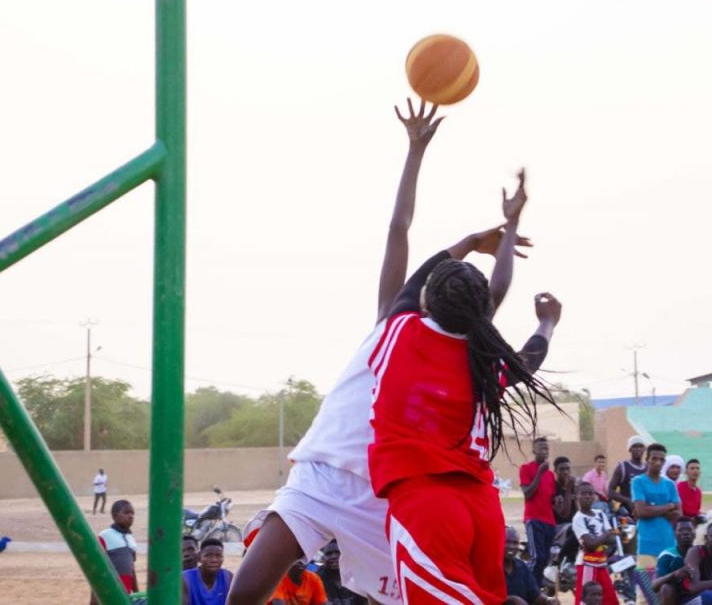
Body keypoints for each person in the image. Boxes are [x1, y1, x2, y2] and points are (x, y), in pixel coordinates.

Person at [228, 100, 528, 605]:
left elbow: (400, 230)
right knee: (246, 593)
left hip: (389, 493)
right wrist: (509, 230)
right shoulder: (401, 322)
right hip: (323, 476)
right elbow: (492, 288)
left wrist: (417, 153)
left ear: (430, 294)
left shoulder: (408, 326)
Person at [367, 170, 563, 603]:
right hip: (481, 508)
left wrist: (473, 241)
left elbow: (406, 250)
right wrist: (547, 322)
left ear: (425, 301)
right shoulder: (482, 357)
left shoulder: (400, 332)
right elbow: (526, 353)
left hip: (426, 505)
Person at [572, 480, 619, 605]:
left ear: (594, 496)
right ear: (577, 496)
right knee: (586, 599)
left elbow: (613, 539)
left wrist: (599, 539)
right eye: (583, 493)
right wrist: (605, 535)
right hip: (586, 564)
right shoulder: (578, 518)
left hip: (602, 563)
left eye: (590, 493)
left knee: (610, 599)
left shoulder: (600, 514)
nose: (587, 496)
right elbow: (590, 544)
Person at [632, 443, 681, 560]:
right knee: (645, 578)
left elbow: (678, 514)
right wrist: (668, 506)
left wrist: (651, 508)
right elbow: (642, 511)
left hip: (669, 544)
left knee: (670, 578)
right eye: (654, 459)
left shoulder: (670, 485)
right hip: (647, 546)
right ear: (647, 460)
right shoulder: (638, 481)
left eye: (661, 460)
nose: (658, 462)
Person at [521, 437, 557, 584]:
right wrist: (539, 473)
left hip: (549, 521)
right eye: (541, 448)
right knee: (537, 557)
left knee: (545, 559)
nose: (544, 451)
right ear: (534, 450)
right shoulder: (526, 468)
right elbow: (528, 493)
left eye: (546, 448)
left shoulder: (550, 475)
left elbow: (551, 499)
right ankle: (525, 586)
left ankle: (535, 590)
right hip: (534, 519)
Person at [95, 500, 139, 598]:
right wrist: (94, 596)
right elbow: (96, 567)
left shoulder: (131, 539)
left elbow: (131, 568)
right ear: (115, 516)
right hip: (109, 591)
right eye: (126, 512)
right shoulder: (104, 536)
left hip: (126, 593)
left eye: (132, 513)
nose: (131, 516)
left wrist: (136, 592)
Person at [504, 526, 555, 605]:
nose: (511, 546)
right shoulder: (490, 567)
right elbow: (486, 597)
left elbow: (535, 595)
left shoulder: (521, 567)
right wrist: (513, 600)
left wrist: (548, 600)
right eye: (507, 542)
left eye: (515, 543)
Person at [654, 516, 697, 605]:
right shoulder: (667, 555)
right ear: (674, 533)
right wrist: (674, 574)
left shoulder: (701, 552)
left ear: (695, 533)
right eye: (681, 530)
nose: (685, 533)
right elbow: (654, 586)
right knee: (666, 588)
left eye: (689, 529)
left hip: (697, 592)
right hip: (675, 597)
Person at [312, 540, 367, 605]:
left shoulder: (356, 576)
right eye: (329, 554)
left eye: (338, 552)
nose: (334, 556)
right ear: (323, 559)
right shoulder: (317, 579)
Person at [183, 537, 233, 605]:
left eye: (218, 556)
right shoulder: (185, 578)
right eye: (208, 556)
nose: (214, 560)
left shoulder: (228, 577)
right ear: (199, 557)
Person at [608, 436, 648, 517]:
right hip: (628, 512)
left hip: (646, 510)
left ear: (644, 449)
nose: (638, 449)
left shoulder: (648, 468)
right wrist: (628, 500)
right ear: (629, 449)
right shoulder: (622, 467)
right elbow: (610, 492)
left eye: (641, 446)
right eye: (635, 446)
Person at [553, 456, 579, 526]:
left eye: (568, 469)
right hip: (560, 526)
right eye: (562, 469)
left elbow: (579, 511)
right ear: (555, 471)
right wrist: (569, 488)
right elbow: (563, 513)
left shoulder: (574, 486)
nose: (565, 472)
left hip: (574, 524)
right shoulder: (553, 487)